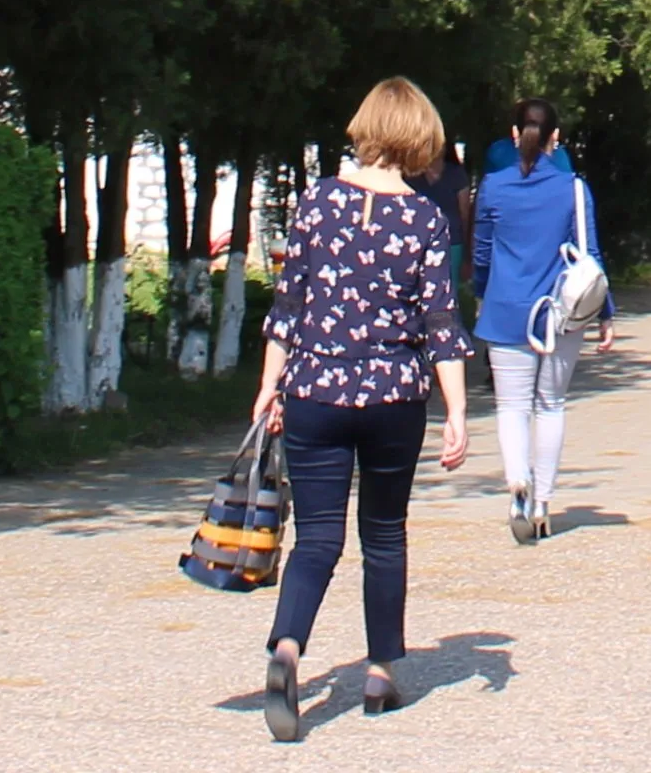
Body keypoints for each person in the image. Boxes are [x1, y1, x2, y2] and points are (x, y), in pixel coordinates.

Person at [252, 76, 472, 742]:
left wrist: (270, 386)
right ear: (419, 138)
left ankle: (287, 649)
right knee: (384, 534)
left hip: (316, 390)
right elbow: (441, 322)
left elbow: (288, 304)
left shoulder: (317, 204)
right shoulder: (427, 220)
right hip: (392, 399)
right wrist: (456, 413)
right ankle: (381, 672)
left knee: (317, 537)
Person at [471, 96, 614, 545]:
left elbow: (481, 251)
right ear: (558, 137)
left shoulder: (493, 187)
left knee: (511, 407)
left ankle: (517, 486)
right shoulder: (573, 187)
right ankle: (543, 504)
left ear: (514, 136)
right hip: (560, 315)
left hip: (505, 310)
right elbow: (589, 255)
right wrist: (605, 313)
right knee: (550, 405)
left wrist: (481, 293)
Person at [413, 136, 473, 278]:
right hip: (419, 242)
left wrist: (467, 255)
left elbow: (465, 215)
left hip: (452, 243)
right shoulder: (413, 174)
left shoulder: (456, 174)